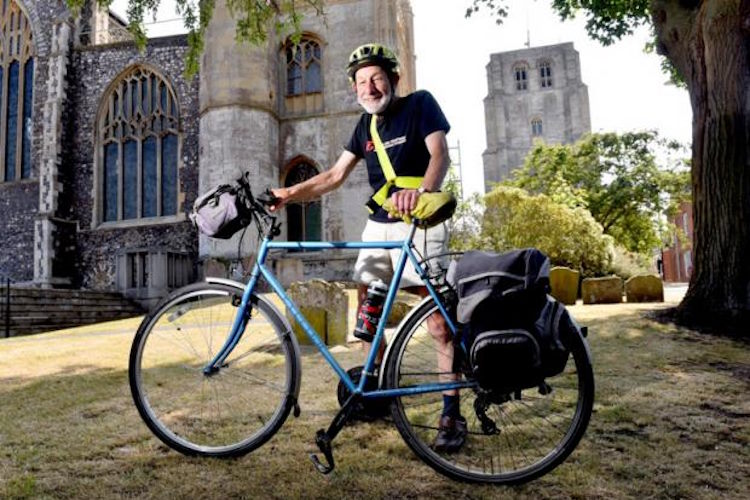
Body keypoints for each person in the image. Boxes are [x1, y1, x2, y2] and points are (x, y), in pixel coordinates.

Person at [270, 43, 465, 452]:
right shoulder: (365, 127)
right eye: (361, 81)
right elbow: (334, 176)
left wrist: (423, 192)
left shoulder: (420, 104)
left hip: (420, 221)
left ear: (393, 79)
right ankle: (371, 389)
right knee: (368, 312)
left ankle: (452, 411)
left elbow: (439, 154)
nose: (369, 87)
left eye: (376, 78)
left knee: (438, 323)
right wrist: (289, 192)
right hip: (379, 225)